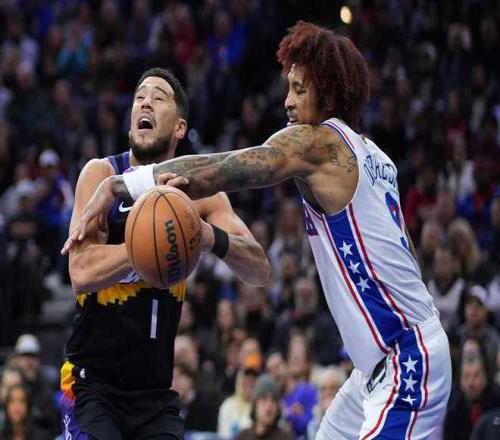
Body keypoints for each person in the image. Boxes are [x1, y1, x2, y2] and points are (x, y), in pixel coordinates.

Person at [64, 22, 452, 438]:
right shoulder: (377, 158)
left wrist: (121, 186)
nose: (287, 102)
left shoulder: (318, 143)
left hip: (404, 358)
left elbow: (228, 168)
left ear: (328, 94)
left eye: (299, 90)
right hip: (374, 368)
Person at [59, 67, 271, 440]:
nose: (145, 103)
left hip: (155, 394)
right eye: (140, 97)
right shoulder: (101, 174)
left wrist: (204, 235)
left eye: (158, 98)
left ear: (180, 128)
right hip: (92, 386)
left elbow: (260, 269)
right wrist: (148, 246)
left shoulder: (196, 192)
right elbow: (80, 273)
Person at [236, 374, 294, 440]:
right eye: (264, 399)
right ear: (255, 404)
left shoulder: (285, 437)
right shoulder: (243, 436)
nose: (269, 405)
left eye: (273, 400)